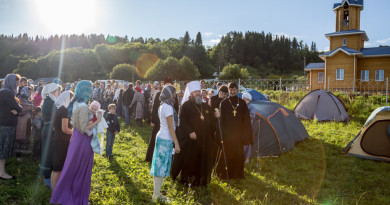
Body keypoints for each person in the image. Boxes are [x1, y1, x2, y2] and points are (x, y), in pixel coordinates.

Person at [50, 80, 101, 204]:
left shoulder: (77, 103)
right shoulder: (83, 106)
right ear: (86, 90)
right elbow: (83, 129)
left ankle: (67, 194)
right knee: (80, 170)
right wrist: (98, 120)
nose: (92, 91)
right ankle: (77, 198)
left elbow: (74, 123)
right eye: (91, 88)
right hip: (83, 141)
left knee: (73, 168)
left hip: (77, 139)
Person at [171, 81, 214, 187]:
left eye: (199, 91)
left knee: (202, 159)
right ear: (191, 93)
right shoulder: (185, 106)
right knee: (191, 159)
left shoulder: (205, 105)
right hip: (192, 138)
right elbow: (183, 120)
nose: (198, 93)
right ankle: (188, 178)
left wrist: (215, 115)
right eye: (195, 92)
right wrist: (190, 131)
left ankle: (201, 178)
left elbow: (210, 119)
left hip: (203, 138)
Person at [215, 82, 252, 179]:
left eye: (234, 89)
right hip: (227, 135)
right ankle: (223, 174)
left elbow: (246, 120)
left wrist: (246, 134)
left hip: (238, 134)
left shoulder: (242, 103)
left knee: (238, 153)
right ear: (228, 90)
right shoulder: (223, 103)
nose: (232, 91)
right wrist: (220, 134)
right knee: (226, 153)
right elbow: (221, 120)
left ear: (237, 90)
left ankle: (237, 174)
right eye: (230, 89)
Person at [150, 85, 180, 202]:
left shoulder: (163, 105)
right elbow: (171, 128)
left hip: (162, 136)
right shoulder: (167, 107)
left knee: (160, 167)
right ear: (170, 94)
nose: (175, 95)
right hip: (165, 138)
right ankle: (156, 195)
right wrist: (176, 144)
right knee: (160, 168)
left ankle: (157, 194)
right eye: (174, 93)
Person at [50, 91, 74, 191]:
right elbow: (65, 129)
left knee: (55, 167)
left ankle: (53, 190)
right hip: (62, 140)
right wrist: (74, 133)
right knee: (58, 168)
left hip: (56, 138)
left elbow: (56, 127)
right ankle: (55, 193)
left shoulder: (56, 108)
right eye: (71, 99)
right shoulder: (64, 110)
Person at [0, 74, 22, 180]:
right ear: (10, 82)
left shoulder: (4, 92)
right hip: (5, 125)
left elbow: (16, 109)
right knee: (3, 150)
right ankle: (2, 173)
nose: (17, 84)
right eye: (16, 82)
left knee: (2, 149)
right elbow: (19, 108)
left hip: (5, 124)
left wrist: (16, 111)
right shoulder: (7, 93)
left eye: (18, 82)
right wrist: (17, 110)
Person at [40, 83, 62, 188]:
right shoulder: (49, 102)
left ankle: (49, 176)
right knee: (48, 153)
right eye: (58, 91)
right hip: (49, 129)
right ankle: (47, 178)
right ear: (52, 91)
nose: (59, 93)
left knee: (51, 152)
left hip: (50, 129)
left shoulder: (51, 101)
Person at [15, 86, 34, 156]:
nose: (30, 93)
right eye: (29, 91)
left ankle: (26, 153)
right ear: (25, 91)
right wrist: (29, 107)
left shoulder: (27, 99)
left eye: (31, 92)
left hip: (27, 121)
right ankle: (19, 155)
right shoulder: (20, 98)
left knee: (27, 136)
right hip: (21, 122)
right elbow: (19, 111)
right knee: (20, 138)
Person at [242, 93, 256, 163]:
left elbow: (252, 115)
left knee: (247, 142)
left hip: (248, 127)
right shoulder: (241, 105)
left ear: (246, 98)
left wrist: (244, 115)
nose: (242, 98)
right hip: (240, 127)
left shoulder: (251, 106)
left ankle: (247, 157)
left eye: (243, 97)